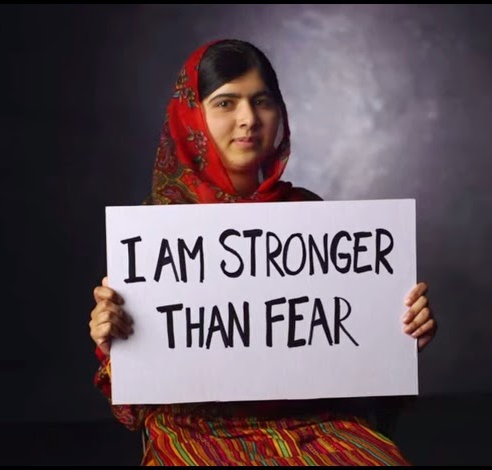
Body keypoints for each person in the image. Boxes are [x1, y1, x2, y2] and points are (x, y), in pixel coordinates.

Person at [89, 39, 437, 466]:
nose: (249, 119)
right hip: (196, 431)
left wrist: (399, 335)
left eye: (262, 101)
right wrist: (113, 342)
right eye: (225, 103)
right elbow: (136, 395)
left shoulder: (310, 217)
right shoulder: (156, 231)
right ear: (191, 116)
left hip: (317, 424)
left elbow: (350, 353)